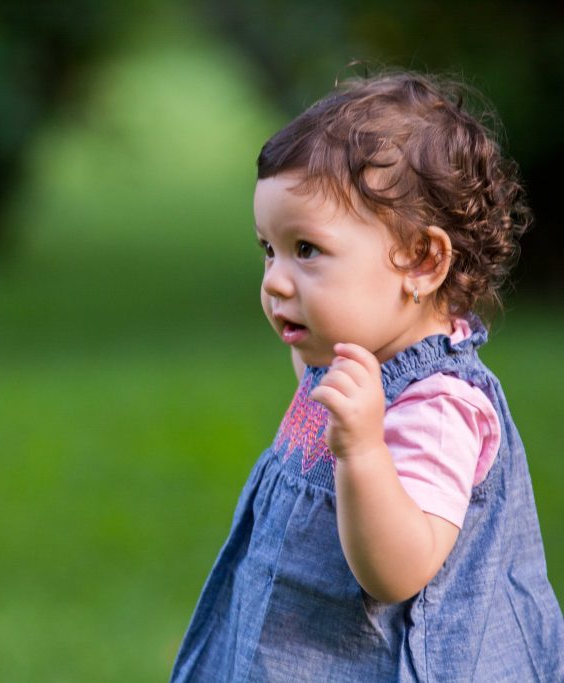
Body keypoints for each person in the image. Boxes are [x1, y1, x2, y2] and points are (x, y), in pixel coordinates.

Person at [171, 72, 564, 681]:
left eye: (306, 250)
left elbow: (398, 571)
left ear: (422, 260)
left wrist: (363, 451)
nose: (275, 280)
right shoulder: (350, 358)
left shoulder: (438, 408)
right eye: (268, 250)